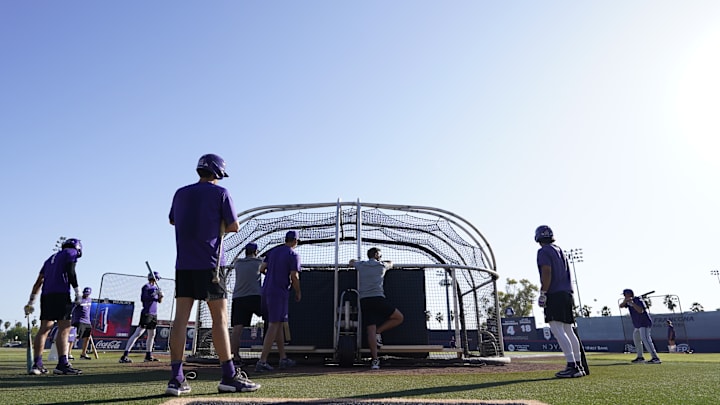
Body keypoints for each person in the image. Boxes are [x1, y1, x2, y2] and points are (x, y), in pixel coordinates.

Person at [166, 154, 260, 396]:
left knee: (180, 319)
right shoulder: (221, 193)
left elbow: (173, 220)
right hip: (211, 262)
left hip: (184, 264)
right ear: (217, 174)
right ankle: (229, 376)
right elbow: (234, 225)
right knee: (219, 320)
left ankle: (176, 378)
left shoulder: (180, 193)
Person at [24, 238, 84, 375]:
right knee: (64, 328)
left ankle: (37, 364)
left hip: (46, 296)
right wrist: (78, 292)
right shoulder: (71, 252)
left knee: (44, 328)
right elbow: (71, 272)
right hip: (61, 294)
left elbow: (38, 282)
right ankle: (62, 364)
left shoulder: (50, 259)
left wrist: (31, 302)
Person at [534, 225, 585, 378]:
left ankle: (572, 365)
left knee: (557, 329)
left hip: (554, 293)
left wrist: (543, 292)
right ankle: (578, 364)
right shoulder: (559, 250)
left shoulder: (543, 251)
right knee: (568, 330)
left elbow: (547, 272)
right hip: (567, 293)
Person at [255, 230, 302, 372]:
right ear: (295, 241)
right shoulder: (293, 255)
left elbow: (262, 269)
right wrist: (298, 291)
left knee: (278, 323)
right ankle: (262, 361)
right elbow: (294, 276)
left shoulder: (273, 251)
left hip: (266, 290)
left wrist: (272, 274)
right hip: (279, 292)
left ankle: (283, 358)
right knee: (274, 324)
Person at [350, 247, 404, 370]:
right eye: (379, 254)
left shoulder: (361, 265)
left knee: (371, 331)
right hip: (378, 299)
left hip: (365, 300)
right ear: (376, 255)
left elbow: (351, 262)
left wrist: (358, 262)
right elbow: (391, 263)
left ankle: (375, 360)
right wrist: (383, 260)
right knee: (399, 317)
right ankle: (378, 333)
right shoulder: (381, 265)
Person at [230, 242, 263, 366]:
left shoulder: (237, 263)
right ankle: (269, 353)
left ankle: (235, 357)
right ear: (255, 251)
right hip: (255, 297)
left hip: (238, 298)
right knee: (272, 320)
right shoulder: (259, 262)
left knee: (237, 329)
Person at [119, 272, 164, 363]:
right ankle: (124, 356)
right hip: (146, 313)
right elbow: (144, 299)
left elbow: (159, 301)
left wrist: (161, 295)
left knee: (152, 334)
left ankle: (148, 355)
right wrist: (154, 293)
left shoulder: (156, 288)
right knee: (138, 333)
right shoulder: (146, 287)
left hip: (154, 314)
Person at [620, 289, 661, 364]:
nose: (624, 296)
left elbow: (640, 311)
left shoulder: (638, 300)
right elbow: (621, 306)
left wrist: (632, 303)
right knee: (636, 339)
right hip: (637, 325)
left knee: (646, 339)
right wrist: (627, 301)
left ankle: (655, 358)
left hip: (644, 323)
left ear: (629, 294)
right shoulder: (628, 302)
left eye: (624, 295)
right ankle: (640, 357)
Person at [71, 287, 93, 360]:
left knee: (87, 337)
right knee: (74, 337)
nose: (86, 295)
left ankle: (83, 354)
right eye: (85, 293)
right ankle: (68, 353)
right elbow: (72, 309)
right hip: (79, 320)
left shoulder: (90, 299)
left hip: (87, 321)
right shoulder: (79, 299)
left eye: (87, 293)